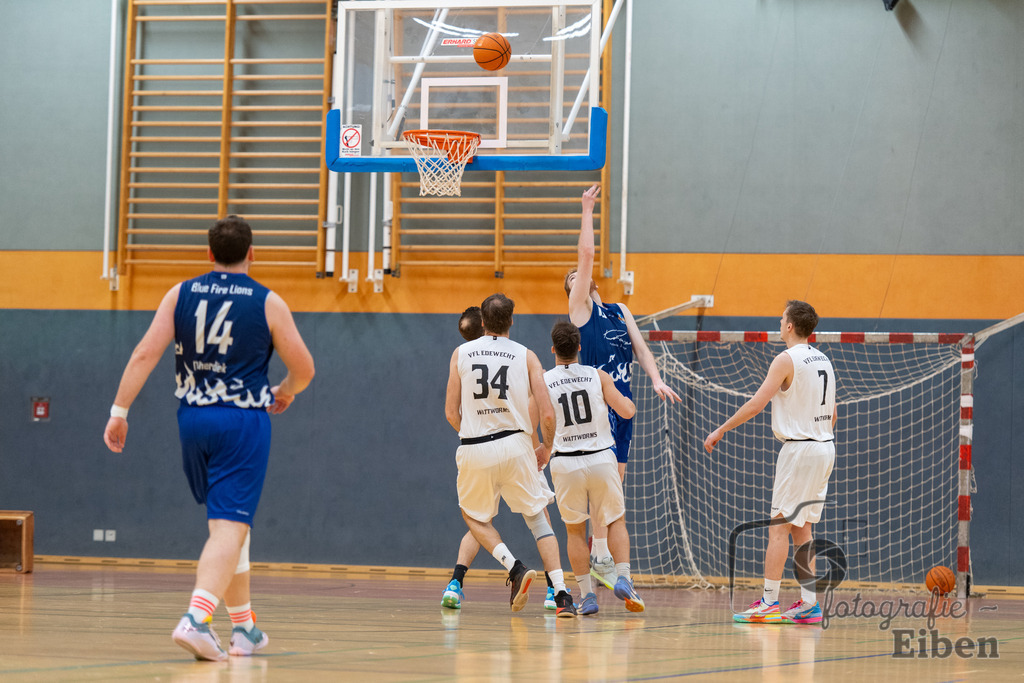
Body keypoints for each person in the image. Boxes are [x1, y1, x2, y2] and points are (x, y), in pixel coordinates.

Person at [102, 215, 315, 660]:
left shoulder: (180, 293)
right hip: (241, 422)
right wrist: (286, 392)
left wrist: (119, 412)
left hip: (192, 421)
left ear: (209, 254)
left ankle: (245, 628)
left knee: (230, 526)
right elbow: (305, 369)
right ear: (252, 253)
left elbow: (145, 353)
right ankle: (197, 619)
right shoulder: (267, 302)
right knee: (228, 526)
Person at [565, 183, 682, 589]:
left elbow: (641, 348)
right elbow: (586, 254)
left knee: (615, 488)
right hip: (597, 409)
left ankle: (599, 557)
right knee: (605, 490)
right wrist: (586, 209)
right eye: (576, 277)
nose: (582, 276)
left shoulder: (618, 310)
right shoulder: (579, 311)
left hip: (623, 406)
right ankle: (598, 559)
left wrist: (655, 378)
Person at [703, 300, 837, 625]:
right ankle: (809, 604)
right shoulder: (824, 360)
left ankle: (769, 602)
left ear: (790, 325)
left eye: (781, 319)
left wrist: (721, 428)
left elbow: (756, 404)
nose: (779, 323)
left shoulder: (786, 359)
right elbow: (833, 414)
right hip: (824, 447)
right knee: (802, 529)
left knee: (779, 529)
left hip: (800, 450)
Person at [444, 293, 577, 617]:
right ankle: (560, 595)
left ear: (483, 322)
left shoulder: (460, 353)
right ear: (512, 321)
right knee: (538, 519)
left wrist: (474, 435)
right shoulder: (527, 356)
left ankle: (514, 568)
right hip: (517, 446)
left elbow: (450, 412)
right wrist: (546, 446)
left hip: (476, 446)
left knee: (475, 519)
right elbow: (547, 413)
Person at [544, 320, 645, 615]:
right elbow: (626, 410)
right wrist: (629, 403)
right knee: (615, 521)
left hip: (565, 462)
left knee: (575, 532)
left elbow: (539, 419)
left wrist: (542, 448)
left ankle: (587, 596)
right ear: (578, 347)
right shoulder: (597, 376)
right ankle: (623, 577)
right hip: (601, 458)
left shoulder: (544, 380)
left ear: (553, 350)